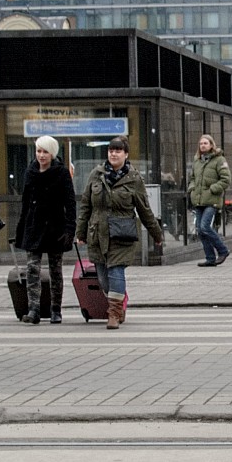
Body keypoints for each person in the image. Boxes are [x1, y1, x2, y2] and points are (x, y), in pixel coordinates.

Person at [77, 139, 164, 329]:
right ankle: (119, 300)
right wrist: (80, 232)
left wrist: (157, 234)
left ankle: (114, 314)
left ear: (126, 154)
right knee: (103, 279)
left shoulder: (134, 179)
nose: (113, 154)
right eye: (111, 150)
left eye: (118, 151)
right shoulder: (96, 174)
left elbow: (144, 210)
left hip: (121, 234)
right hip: (98, 234)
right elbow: (86, 205)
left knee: (116, 272)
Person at [14, 135, 77, 324]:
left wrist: (70, 228)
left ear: (52, 153)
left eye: (45, 152)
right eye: (39, 151)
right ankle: (33, 309)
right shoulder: (30, 171)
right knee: (32, 269)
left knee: (55, 270)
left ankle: (56, 309)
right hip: (34, 226)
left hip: (55, 227)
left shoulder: (61, 173)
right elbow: (25, 202)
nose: (41, 155)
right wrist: (21, 228)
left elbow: (70, 203)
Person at [190, 134, 232, 266]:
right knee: (200, 230)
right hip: (199, 200)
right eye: (201, 143)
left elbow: (226, 179)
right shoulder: (197, 161)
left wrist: (213, 189)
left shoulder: (219, 160)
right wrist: (192, 189)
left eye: (205, 143)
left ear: (211, 145)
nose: (203, 146)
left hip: (212, 200)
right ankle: (210, 258)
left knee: (205, 227)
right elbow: (192, 178)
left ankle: (223, 250)